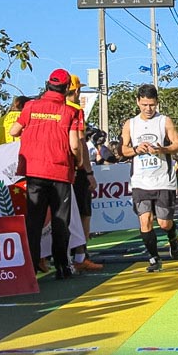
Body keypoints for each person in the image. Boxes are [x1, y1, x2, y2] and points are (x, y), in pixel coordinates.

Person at [7, 69, 81, 280]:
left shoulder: (30, 106)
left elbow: (13, 131)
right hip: (60, 171)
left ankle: (30, 266)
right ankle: (62, 267)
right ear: (67, 88)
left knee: (34, 220)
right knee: (60, 221)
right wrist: (80, 162)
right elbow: (74, 145)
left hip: (34, 171)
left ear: (48, 84)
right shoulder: (70, 112)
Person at [121, 84, 178, 273]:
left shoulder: (164, 121)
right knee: (145, 220)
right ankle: (154, 258)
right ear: (138, 102)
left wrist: (162, 149)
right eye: (145, 105)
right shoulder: (130, 124)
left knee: (164, 223)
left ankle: (173, 236)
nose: (148, 109)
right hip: (140, 181)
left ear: (157, 103)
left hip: (163, 180)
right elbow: (123, 150)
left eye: (152, 105)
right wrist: (135, 150)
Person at [65, 74, 102, 272]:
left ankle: (58, 258)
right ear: (77, 90)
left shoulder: (53, 109)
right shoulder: (75, 111)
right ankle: (80, 256)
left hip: (57, 168)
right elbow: (78, 142)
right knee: (83, 214)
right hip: (75, 169)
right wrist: (87, 171)